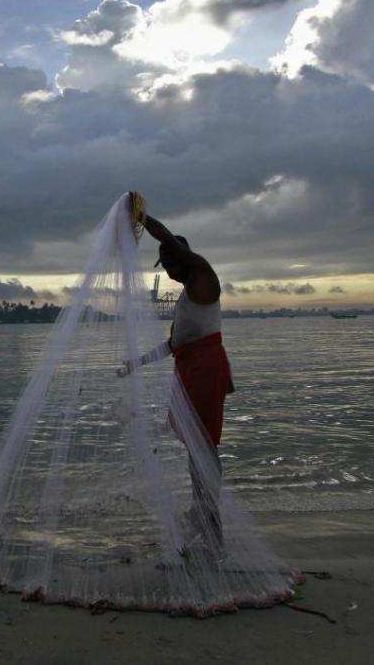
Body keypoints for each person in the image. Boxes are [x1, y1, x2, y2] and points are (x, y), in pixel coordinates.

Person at [122, 193, 234, 542]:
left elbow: (167, 238)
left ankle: (209, 515)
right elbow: (174, 346)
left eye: (168, 262)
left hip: (206, 370)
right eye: (162, 265)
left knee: (204, 444)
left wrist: (142, 219)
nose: (166, 271)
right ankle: (200, 508)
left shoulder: (204, 280)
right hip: (189, 370)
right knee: (195, 444)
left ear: (179, 257)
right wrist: (135, 365)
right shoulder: (187, 296)